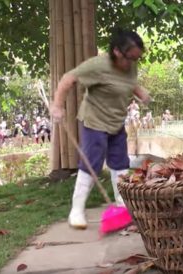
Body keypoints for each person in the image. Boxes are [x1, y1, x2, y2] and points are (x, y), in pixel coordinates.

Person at [50, 29, 151, 230]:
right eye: (130, 58)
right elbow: (68, 79)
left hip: (116, 123)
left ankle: (123, 207)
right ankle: (76, 211)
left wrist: (140, 92)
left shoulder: (130, 66)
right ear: (116, 52)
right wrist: (57, 105)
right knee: (91, 163)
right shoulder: (98, 65)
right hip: (94, 122)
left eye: (137, 59)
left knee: (121, 163)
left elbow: (128, 84)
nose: (133, 63)